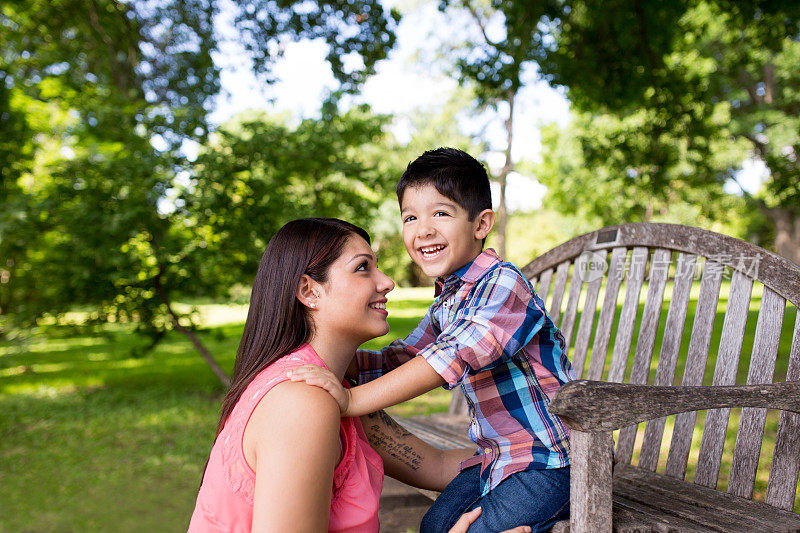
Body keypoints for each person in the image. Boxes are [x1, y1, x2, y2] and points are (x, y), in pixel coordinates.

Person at [289, 149, 575, 532]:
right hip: (498, 459)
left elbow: (450, 358)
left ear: (481, 224)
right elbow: (407, 357)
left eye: (440, 213)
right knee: (434, 527)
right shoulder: (449, 299)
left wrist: (352, 399)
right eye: (410, 217)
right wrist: (337, 360)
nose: (422, 229)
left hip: (552, 462)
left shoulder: (503, 284)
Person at [187, 217, 532, 533]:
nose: (387, 282)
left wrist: (554, 458)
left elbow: (439, 466)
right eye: (363, 268)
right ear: (309, 291)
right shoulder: (301, 403)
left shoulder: (334, 392)